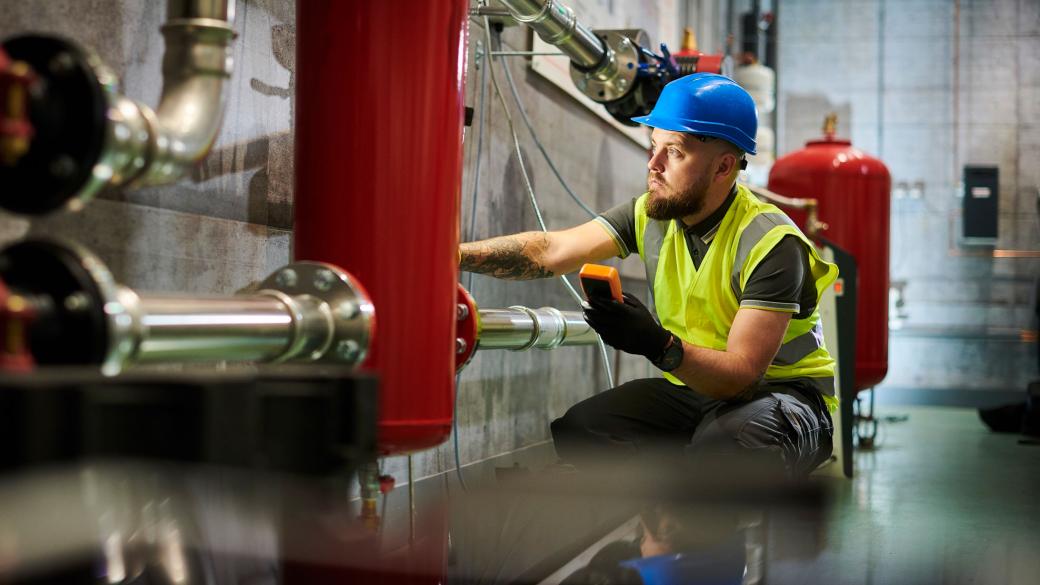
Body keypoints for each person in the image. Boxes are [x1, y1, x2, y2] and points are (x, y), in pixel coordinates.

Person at [459, 73, 836, 477]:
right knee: (584, 431)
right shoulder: (652, 215)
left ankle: (705, 530)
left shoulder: (771, 242)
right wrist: (452, 256)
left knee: (729, 446)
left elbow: (741, 379)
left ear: (723, 167)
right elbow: (552, 251)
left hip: (786, 399)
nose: (653, 166)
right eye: (653, 147)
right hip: (700, 391)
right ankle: (660, 524)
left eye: (673, 152)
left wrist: (658, 344)